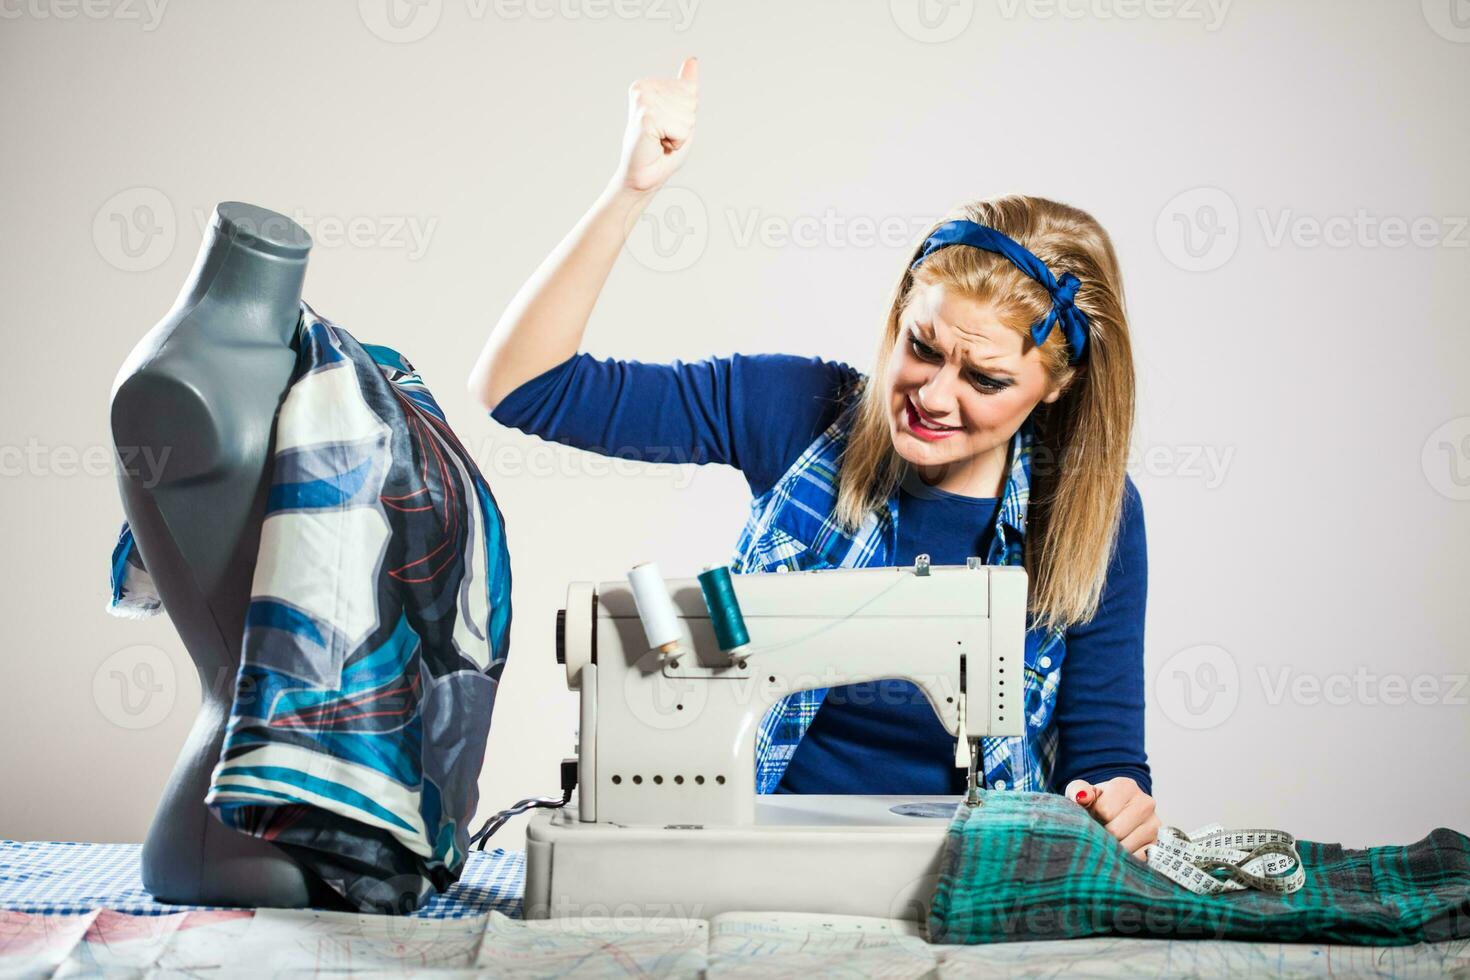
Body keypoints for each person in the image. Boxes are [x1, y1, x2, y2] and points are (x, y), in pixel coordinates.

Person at [468, 57, 1160, 858]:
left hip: (974, 887)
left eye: (984, 378)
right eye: (922, 347)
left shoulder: (1091, 510)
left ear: (1055, 390)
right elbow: (524, 387)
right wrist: (631, 190)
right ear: (899, 313)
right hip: (750, 861)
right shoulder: (795, 413)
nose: (934, 395)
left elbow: (1105, 759)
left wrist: (1116, 803)